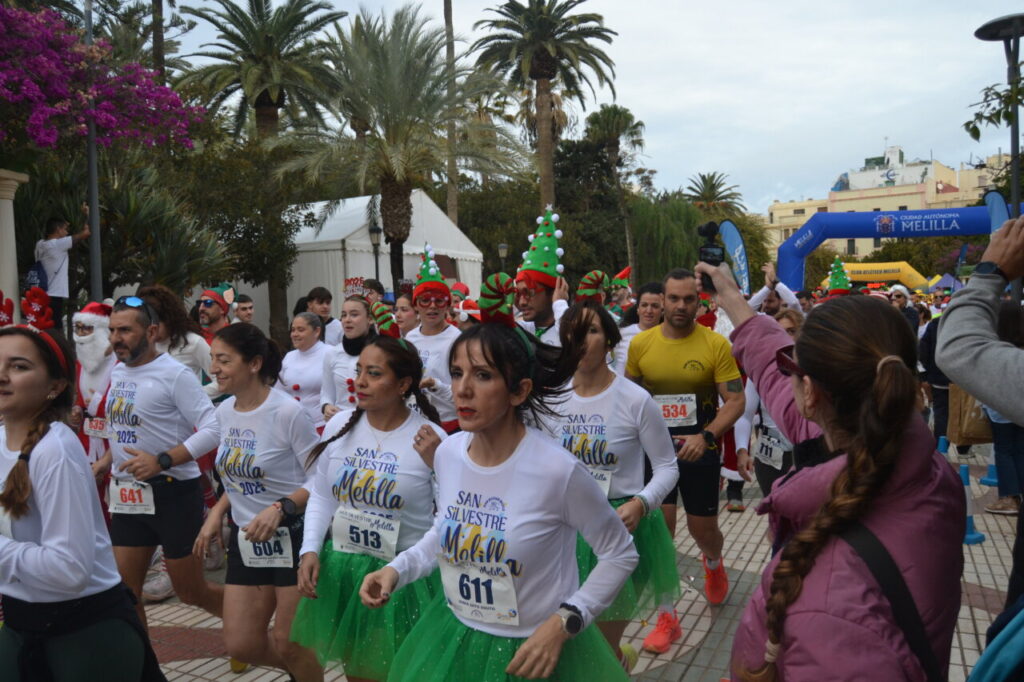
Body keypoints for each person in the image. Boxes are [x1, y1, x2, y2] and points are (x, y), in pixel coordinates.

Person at [359, 274, 638, 681]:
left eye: (483, 376)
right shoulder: (450, 453)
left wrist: (565, 622)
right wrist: (398, 570)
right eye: (456, 373)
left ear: (519, 391)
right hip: (456, 638)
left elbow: (620, 553)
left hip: (536, 654)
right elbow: (446, 529)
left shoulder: (557, 470)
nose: (463, 390)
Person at [693, 262, 964, 681]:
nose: (785, 375)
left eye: (794, 367)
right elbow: (773, 371)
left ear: (813, 394)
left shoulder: (831, 607)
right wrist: (731, 297)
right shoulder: (927, 468)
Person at [0, 320, 165, 681]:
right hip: (20, 626)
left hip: (85, 637)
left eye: (19, 366)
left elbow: (69, 569)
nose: (2, 375)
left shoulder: (54, 451)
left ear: (55, 386)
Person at [292, 336, 446, 682]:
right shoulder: (339, 426)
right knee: (359, 672)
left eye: (374, 374)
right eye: (359, 370)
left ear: (403, 384)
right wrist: (310, 549)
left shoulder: (431, 439)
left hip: (404, 578)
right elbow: (322, 494)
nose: (359, 381)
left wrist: (439, 463)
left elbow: (450, 520)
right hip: (344, 570)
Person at [193, 323, 322, 681]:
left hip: (294, 537)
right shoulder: (225, 413)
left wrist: (281, 507)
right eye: (212, 360)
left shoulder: (287, 413)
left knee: (288, 641)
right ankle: (305, 672)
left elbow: (322, 479)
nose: (214, 368)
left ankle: (304, 668)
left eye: (223, 360)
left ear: (253, 364)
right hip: (248, 541)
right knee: (242, 644)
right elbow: (236, 476)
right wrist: (216, 513)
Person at [553, 301, 680, 665]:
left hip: (618, 531)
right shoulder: (554, 399)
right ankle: (620, 663)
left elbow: (668, 467)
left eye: (591, 331)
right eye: (572, 332)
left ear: (609, 340)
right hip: (562, 530)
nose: (580, 341)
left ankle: (616, 661)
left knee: (601, 647)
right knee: (570, 641)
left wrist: (641, 503)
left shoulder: (635, 400)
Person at [626, 267, 744, 646]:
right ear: (661, 301)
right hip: (654, 455)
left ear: (699, 301)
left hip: (699, 451)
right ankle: (667, 617)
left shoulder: (715, 345)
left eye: (687, 299)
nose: (679, 306)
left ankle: (713, 564)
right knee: (661, 532)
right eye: (672, 299)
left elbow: (737, 400)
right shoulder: (641, 345)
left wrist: (706, 434)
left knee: (702, 530)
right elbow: (629, 400)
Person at [98, 296, 224, 628]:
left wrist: (163, 461)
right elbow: (127, 428)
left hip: (172, 493)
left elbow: (214, 428)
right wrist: (106, 463)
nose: (115, 338)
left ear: (151, 331)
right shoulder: (118, 370)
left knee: (190, 592)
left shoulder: (175, 374)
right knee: (126, 593)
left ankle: (243, 623)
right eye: (112, 330)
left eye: (125, 330)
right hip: (127, 494)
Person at [735, 309, 803, 497]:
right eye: (780, 332)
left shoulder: (816, 366)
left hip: (808, 454)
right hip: (770, 458)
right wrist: (741, 450)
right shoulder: (759, 371)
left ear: (801, 333)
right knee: (776, 519)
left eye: (791, 331)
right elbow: (745, 415)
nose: (785, 337)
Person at [406, 245, 462, 433]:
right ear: (416, 306)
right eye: (425, 300)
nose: (432, 306)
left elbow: (464, 392)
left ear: (447, 305)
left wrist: (435, 385)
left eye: (439, 300)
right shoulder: (411, 337)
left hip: (449, 425)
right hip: (415, 423)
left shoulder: (457, 340)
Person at [976, 301, 1024, 516]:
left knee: (1003, 450)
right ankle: (1018, 495)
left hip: (999, 408)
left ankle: (1008, 498)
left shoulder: (994, 347)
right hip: (1020, 408)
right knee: (1019, 450)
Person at [140, 285, 221, 399]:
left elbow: (220, 380)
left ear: (169, 319)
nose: (151, 331)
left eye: (156, 326)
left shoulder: (193, 342)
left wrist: (191, 397)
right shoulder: (144, 344)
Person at [514, 208, 571, 346]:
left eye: (529, 293)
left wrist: (560, 304)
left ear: (554, 292)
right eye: (519, 294)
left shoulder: (569, 334)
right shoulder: (520, 333)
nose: (522, 302)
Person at [320, 297, 377, 421]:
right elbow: (326, 393)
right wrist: (326, 406)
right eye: (344, 315)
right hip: (341, 424)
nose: (347, 320)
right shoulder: (333, 353)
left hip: (374, 423)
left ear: (370, 319)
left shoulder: (382, 352)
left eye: (354, 315)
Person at [278, 313, 329, 431]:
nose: (295, 334)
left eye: (300, 330)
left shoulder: (330, 354)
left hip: (321, 425)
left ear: (316, 331)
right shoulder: (289, 357)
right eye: (293, 330)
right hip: (292, 425)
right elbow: (278, 391)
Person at [612, 282, 663, 376]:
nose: (649, 311)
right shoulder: (621, 334)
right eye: (644, 305)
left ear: (663, 309)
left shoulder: (669, 336)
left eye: (655, 306)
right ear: (638, 308)